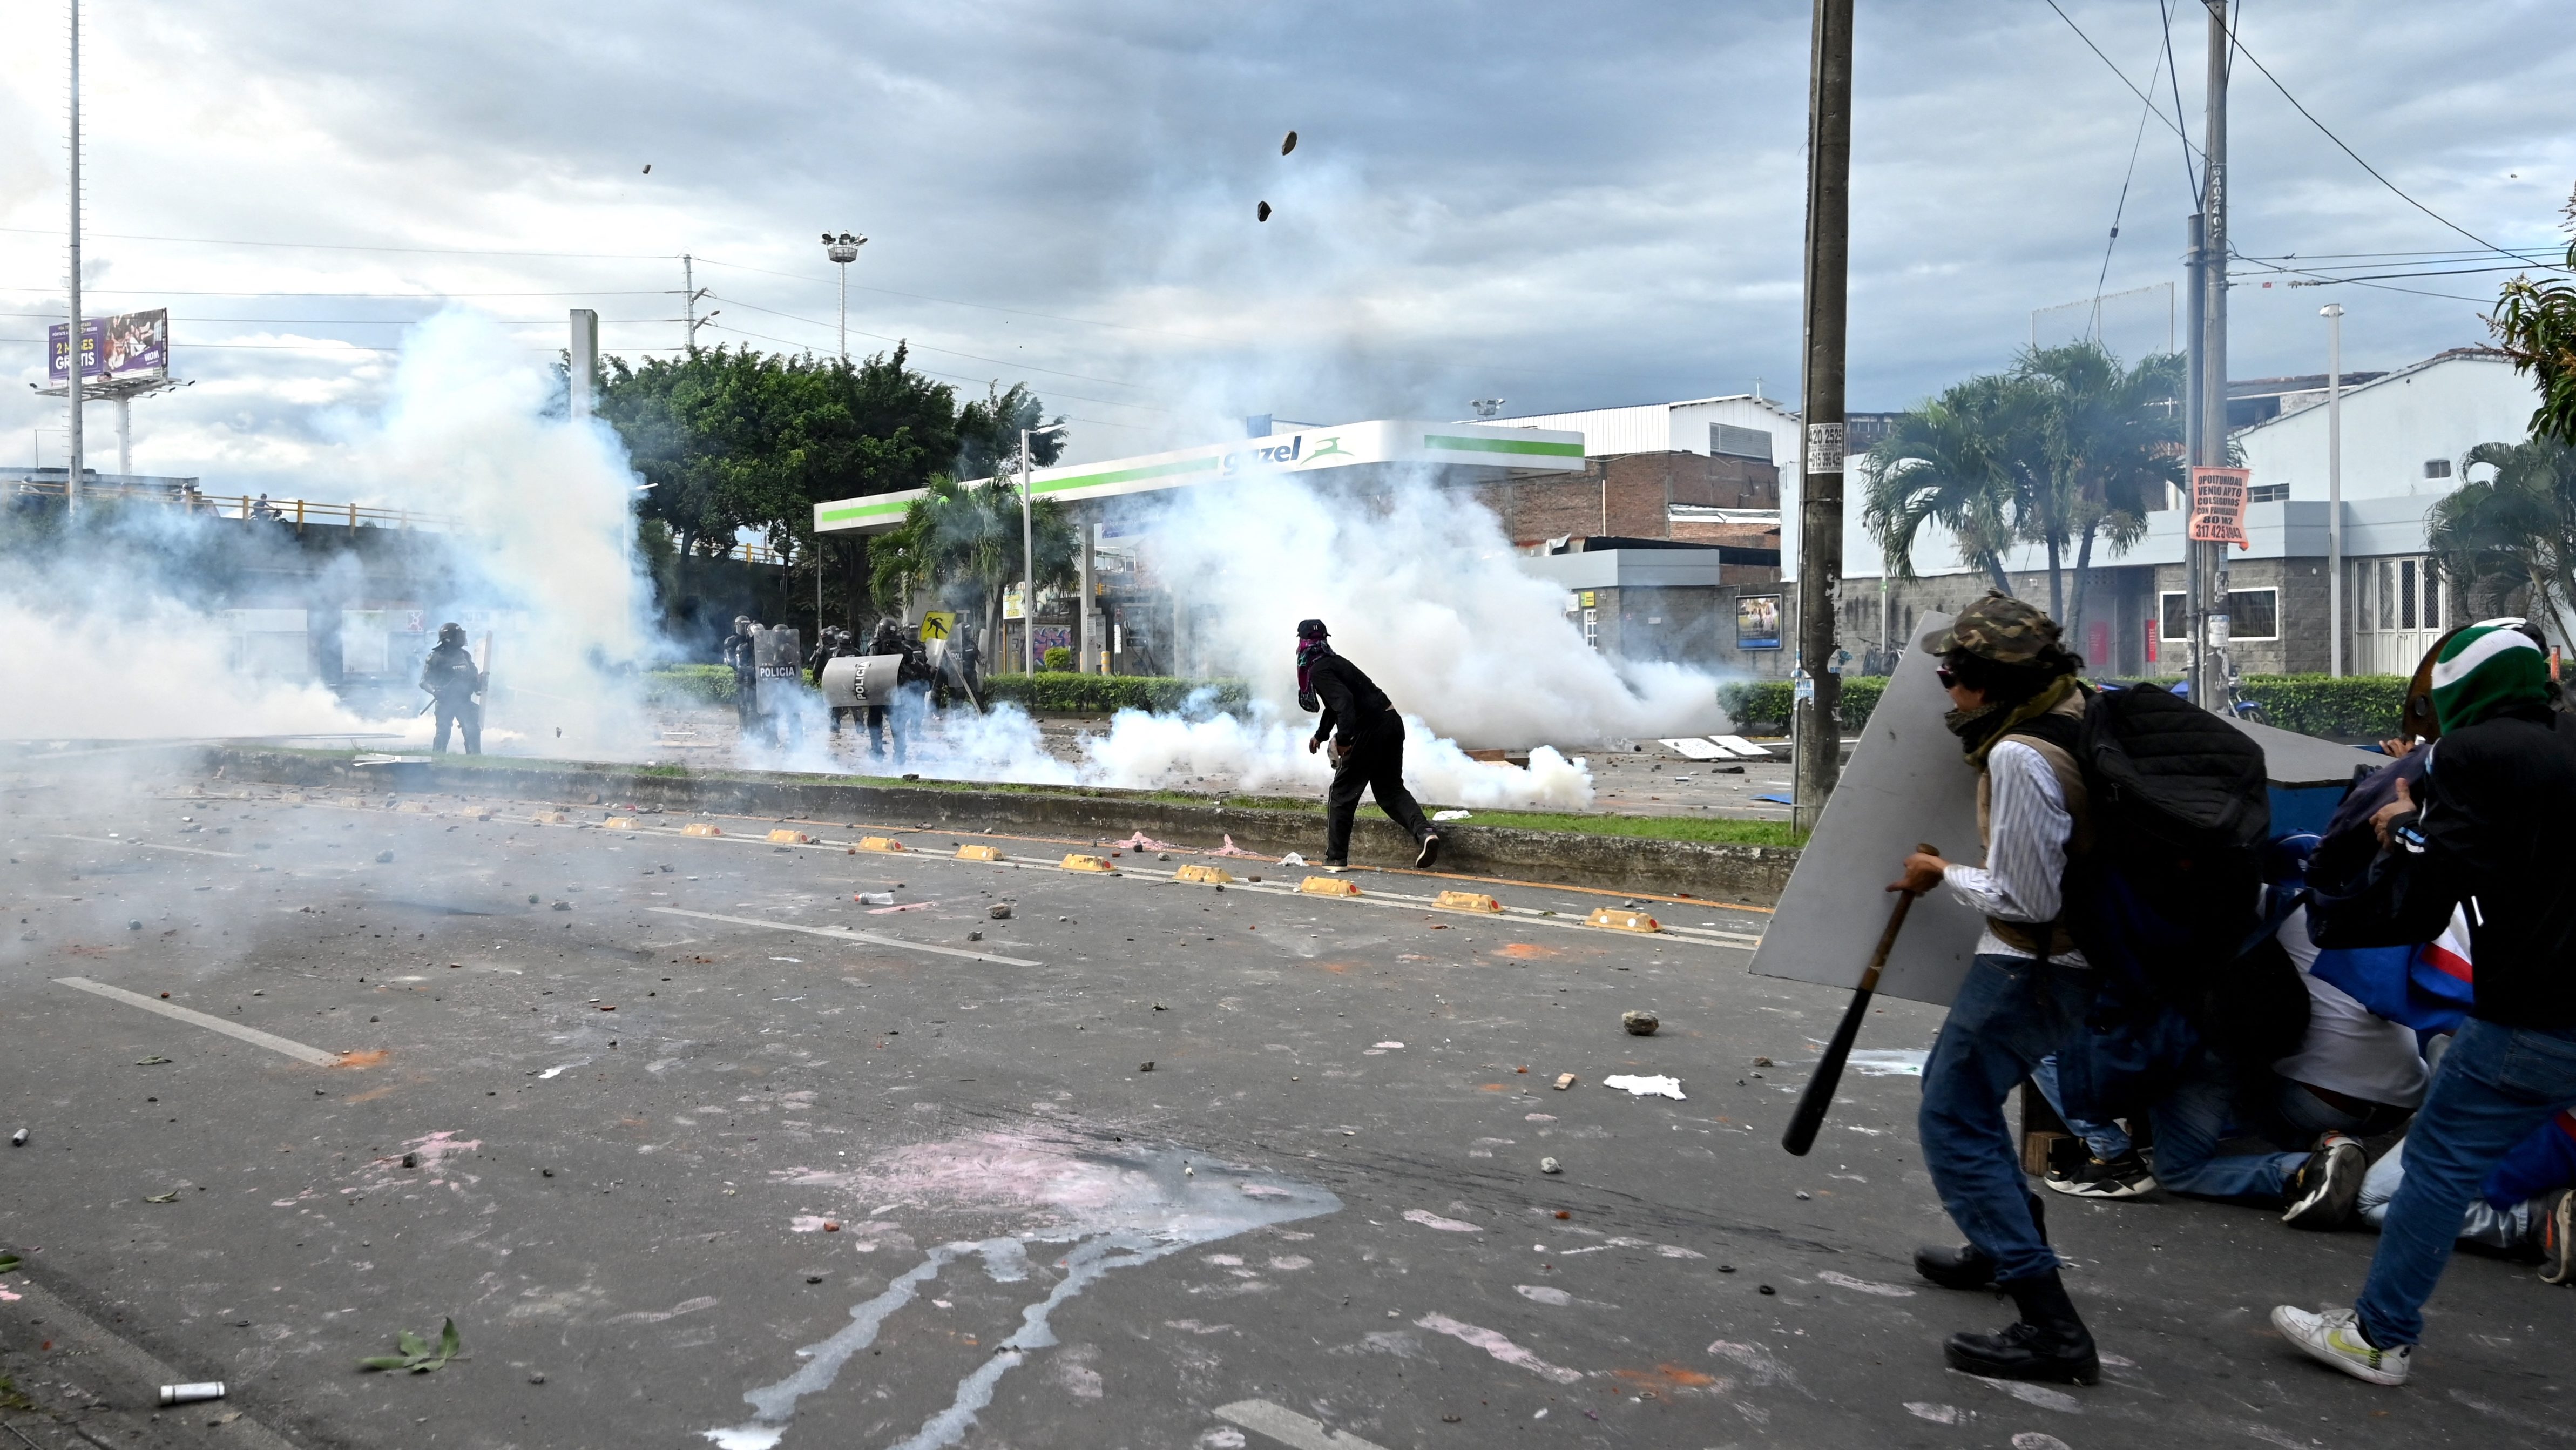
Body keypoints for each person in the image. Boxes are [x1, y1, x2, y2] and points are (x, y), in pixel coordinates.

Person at [2274, 621, 2576, 1386]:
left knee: (2436, 1167)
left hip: (2532, 1013)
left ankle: (2376, 1335)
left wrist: (2400, 826)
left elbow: (2443, 867)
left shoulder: (2476, 755)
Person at [1890, 592, 2101, 1385]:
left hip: (2034, 962)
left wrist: (1939, 872)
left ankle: (2049, 1325)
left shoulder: (2019, 755)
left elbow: (2027, 898)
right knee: (1971, 1098)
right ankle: (1999, 1237)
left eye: (1950, 672)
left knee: (1951, 1109)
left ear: (1981, 682)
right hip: (2066, 958)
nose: (1945, 685)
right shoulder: (2079, 708)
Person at [1295, 619, 1438, 870]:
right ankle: (1426, 833)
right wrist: (1321, 734)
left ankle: (1336, 858)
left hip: (1369, 729)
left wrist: (1345, 741)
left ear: (1303, 643)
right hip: (1391, 722)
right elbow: (1335, 705)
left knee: (1341, 794)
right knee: (1390, 791)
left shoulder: (1318, 670)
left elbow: (1345, 704)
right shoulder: (1337, 663)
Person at [418, 623, 485, 755]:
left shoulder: (465, 656)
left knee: (472, 730)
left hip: (464, 701)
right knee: (443, 733)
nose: (462, 639)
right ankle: (438, 759)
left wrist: (479, 681)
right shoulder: (435, 657)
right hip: (445, 703)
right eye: (458, 636)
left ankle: (475, 759)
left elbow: (473, 676)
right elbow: (424, 681)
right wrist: (435, 691)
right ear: (448, 638)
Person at [864, 618, 917, 765]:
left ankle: (877, 752)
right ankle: (900, 755)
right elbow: (917, 667)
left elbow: (868, 667)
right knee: (897, 723)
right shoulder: (904, 648)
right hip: (896, 692)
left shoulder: (875, 647)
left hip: (877, 691)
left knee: (874, 721)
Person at [721, 616, 759, 734]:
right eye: (741, 626)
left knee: (757, 706)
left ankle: (759, 732)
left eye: (745, 626)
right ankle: (747, 732)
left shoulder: (755, 640)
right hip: (743, 676)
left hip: (757, 676)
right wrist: (742, 671)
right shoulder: (732, 642)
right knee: (744, 706)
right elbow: (730, 661)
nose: (743, 629)